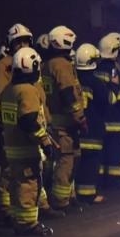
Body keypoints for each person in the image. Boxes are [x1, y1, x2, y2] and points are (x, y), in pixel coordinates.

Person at [0, 47, 56, 236]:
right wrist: (45, 140)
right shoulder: (28, 91)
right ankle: (28, 223)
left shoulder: (8, 90)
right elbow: (28, 121)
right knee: (29, 184)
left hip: (12, 148)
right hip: (26, 148)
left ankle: (18, 218)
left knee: (17, 183)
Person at [0, 23, 34, 220]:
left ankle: (36, 204)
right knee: (9, 167)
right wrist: (2, 124)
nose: (22, 44)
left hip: (26, 123)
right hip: (11, 125)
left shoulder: (29, 63)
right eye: (18, 41)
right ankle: (6, 205)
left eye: (25, 41)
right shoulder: (3, 66)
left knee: (30, 167)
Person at [39, 26, 84, 213]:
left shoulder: (46, 64)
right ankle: (61, 200)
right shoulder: (62, 65)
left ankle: (66, 196)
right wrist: (79, 118)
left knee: (66, 159)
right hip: (66, 122)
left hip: (54, 120)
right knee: (67, 160)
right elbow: (68, 94)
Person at [73, 43, 107, 205]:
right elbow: (106, 102)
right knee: (91, 160)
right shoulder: (96, 83)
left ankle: (75, 192)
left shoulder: (73, 79)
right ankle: (88, 194)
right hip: (93, 127)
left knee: (78, 162)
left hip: (76, 126)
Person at [96, 32, 120, 188]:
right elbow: (119, 93)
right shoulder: (114, 70)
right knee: (115, 151)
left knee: (104, 151)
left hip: (101, 118)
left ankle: (102, 180)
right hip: (115, 118)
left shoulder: (96, 68)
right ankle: (114, 180)